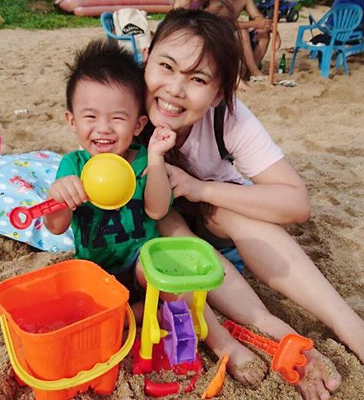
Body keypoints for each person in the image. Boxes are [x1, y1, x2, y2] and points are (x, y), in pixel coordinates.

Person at [140, 8, 364, 400]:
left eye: (197, 79)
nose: (175, 89)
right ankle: (280, 334)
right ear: (146, 57)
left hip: (212, 212)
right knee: (174, 237)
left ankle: (352, 329)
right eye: (167, 66)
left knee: (232, 213)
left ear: (219, 93)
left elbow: (295, 202)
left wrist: (200, 188)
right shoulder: (124, 102)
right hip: (157, 223)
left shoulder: (228, 117)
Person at [44, 39, 176, 311]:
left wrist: (156, 159)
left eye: (117, 118)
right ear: (72, 121)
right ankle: (134, 315)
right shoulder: (73, 165)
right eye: (90, 117)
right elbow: (56, 226)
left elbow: (157, 211)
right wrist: (58, 195)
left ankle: (158, 311)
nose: (103, 128)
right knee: (83, 301)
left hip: (139, 259)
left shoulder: (142, 160)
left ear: (138, 125)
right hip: (96, 268)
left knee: (153, 267)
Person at [171, 0, 280, 81]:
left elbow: (258, 17)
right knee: (242, 33)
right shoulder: (218, 2)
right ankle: (255, 72)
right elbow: (220, 23)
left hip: (232, 33)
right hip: (218, 35)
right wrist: (254, 23)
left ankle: (250, 73)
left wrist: (270, 27)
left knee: (263, 32)